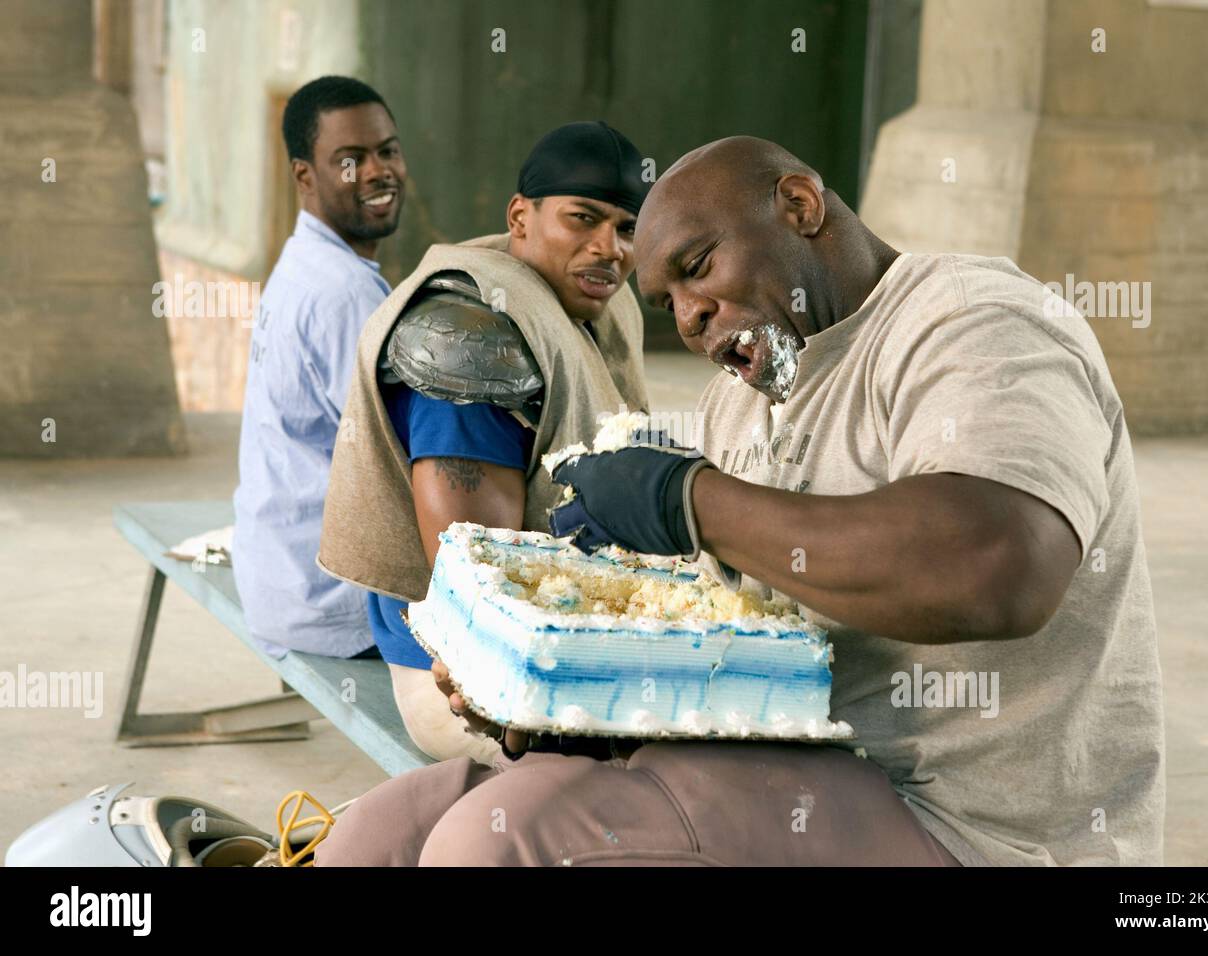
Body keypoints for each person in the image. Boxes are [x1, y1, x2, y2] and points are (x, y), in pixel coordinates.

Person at [315, 135, 1163, 868]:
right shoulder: (739, 403)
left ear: (798, 204)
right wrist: (543, 691)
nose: (690, 318)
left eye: (697, 268)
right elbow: (720, 638)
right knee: (381, 835)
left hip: (967, 823)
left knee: (501, 844)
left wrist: (688, 499)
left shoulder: (973, 321)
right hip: (778, 761)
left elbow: (999, 565)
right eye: (668, 303)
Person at [317, 122, 650, 763]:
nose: (609, 248)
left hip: (565, 629)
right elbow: (476, 595)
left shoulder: (596, 305)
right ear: (519, 217)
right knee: (677, 769)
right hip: (458, 681)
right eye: (582, 218)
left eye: (627, 228)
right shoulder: (471, 340)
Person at [232, 76, 406, 659]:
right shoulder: (343, 294)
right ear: (305, 175)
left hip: (277, 580)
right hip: (332, 606)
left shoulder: (306, 262)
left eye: (388, 150)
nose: (379, 171)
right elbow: (403, 462)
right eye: (351, 160)